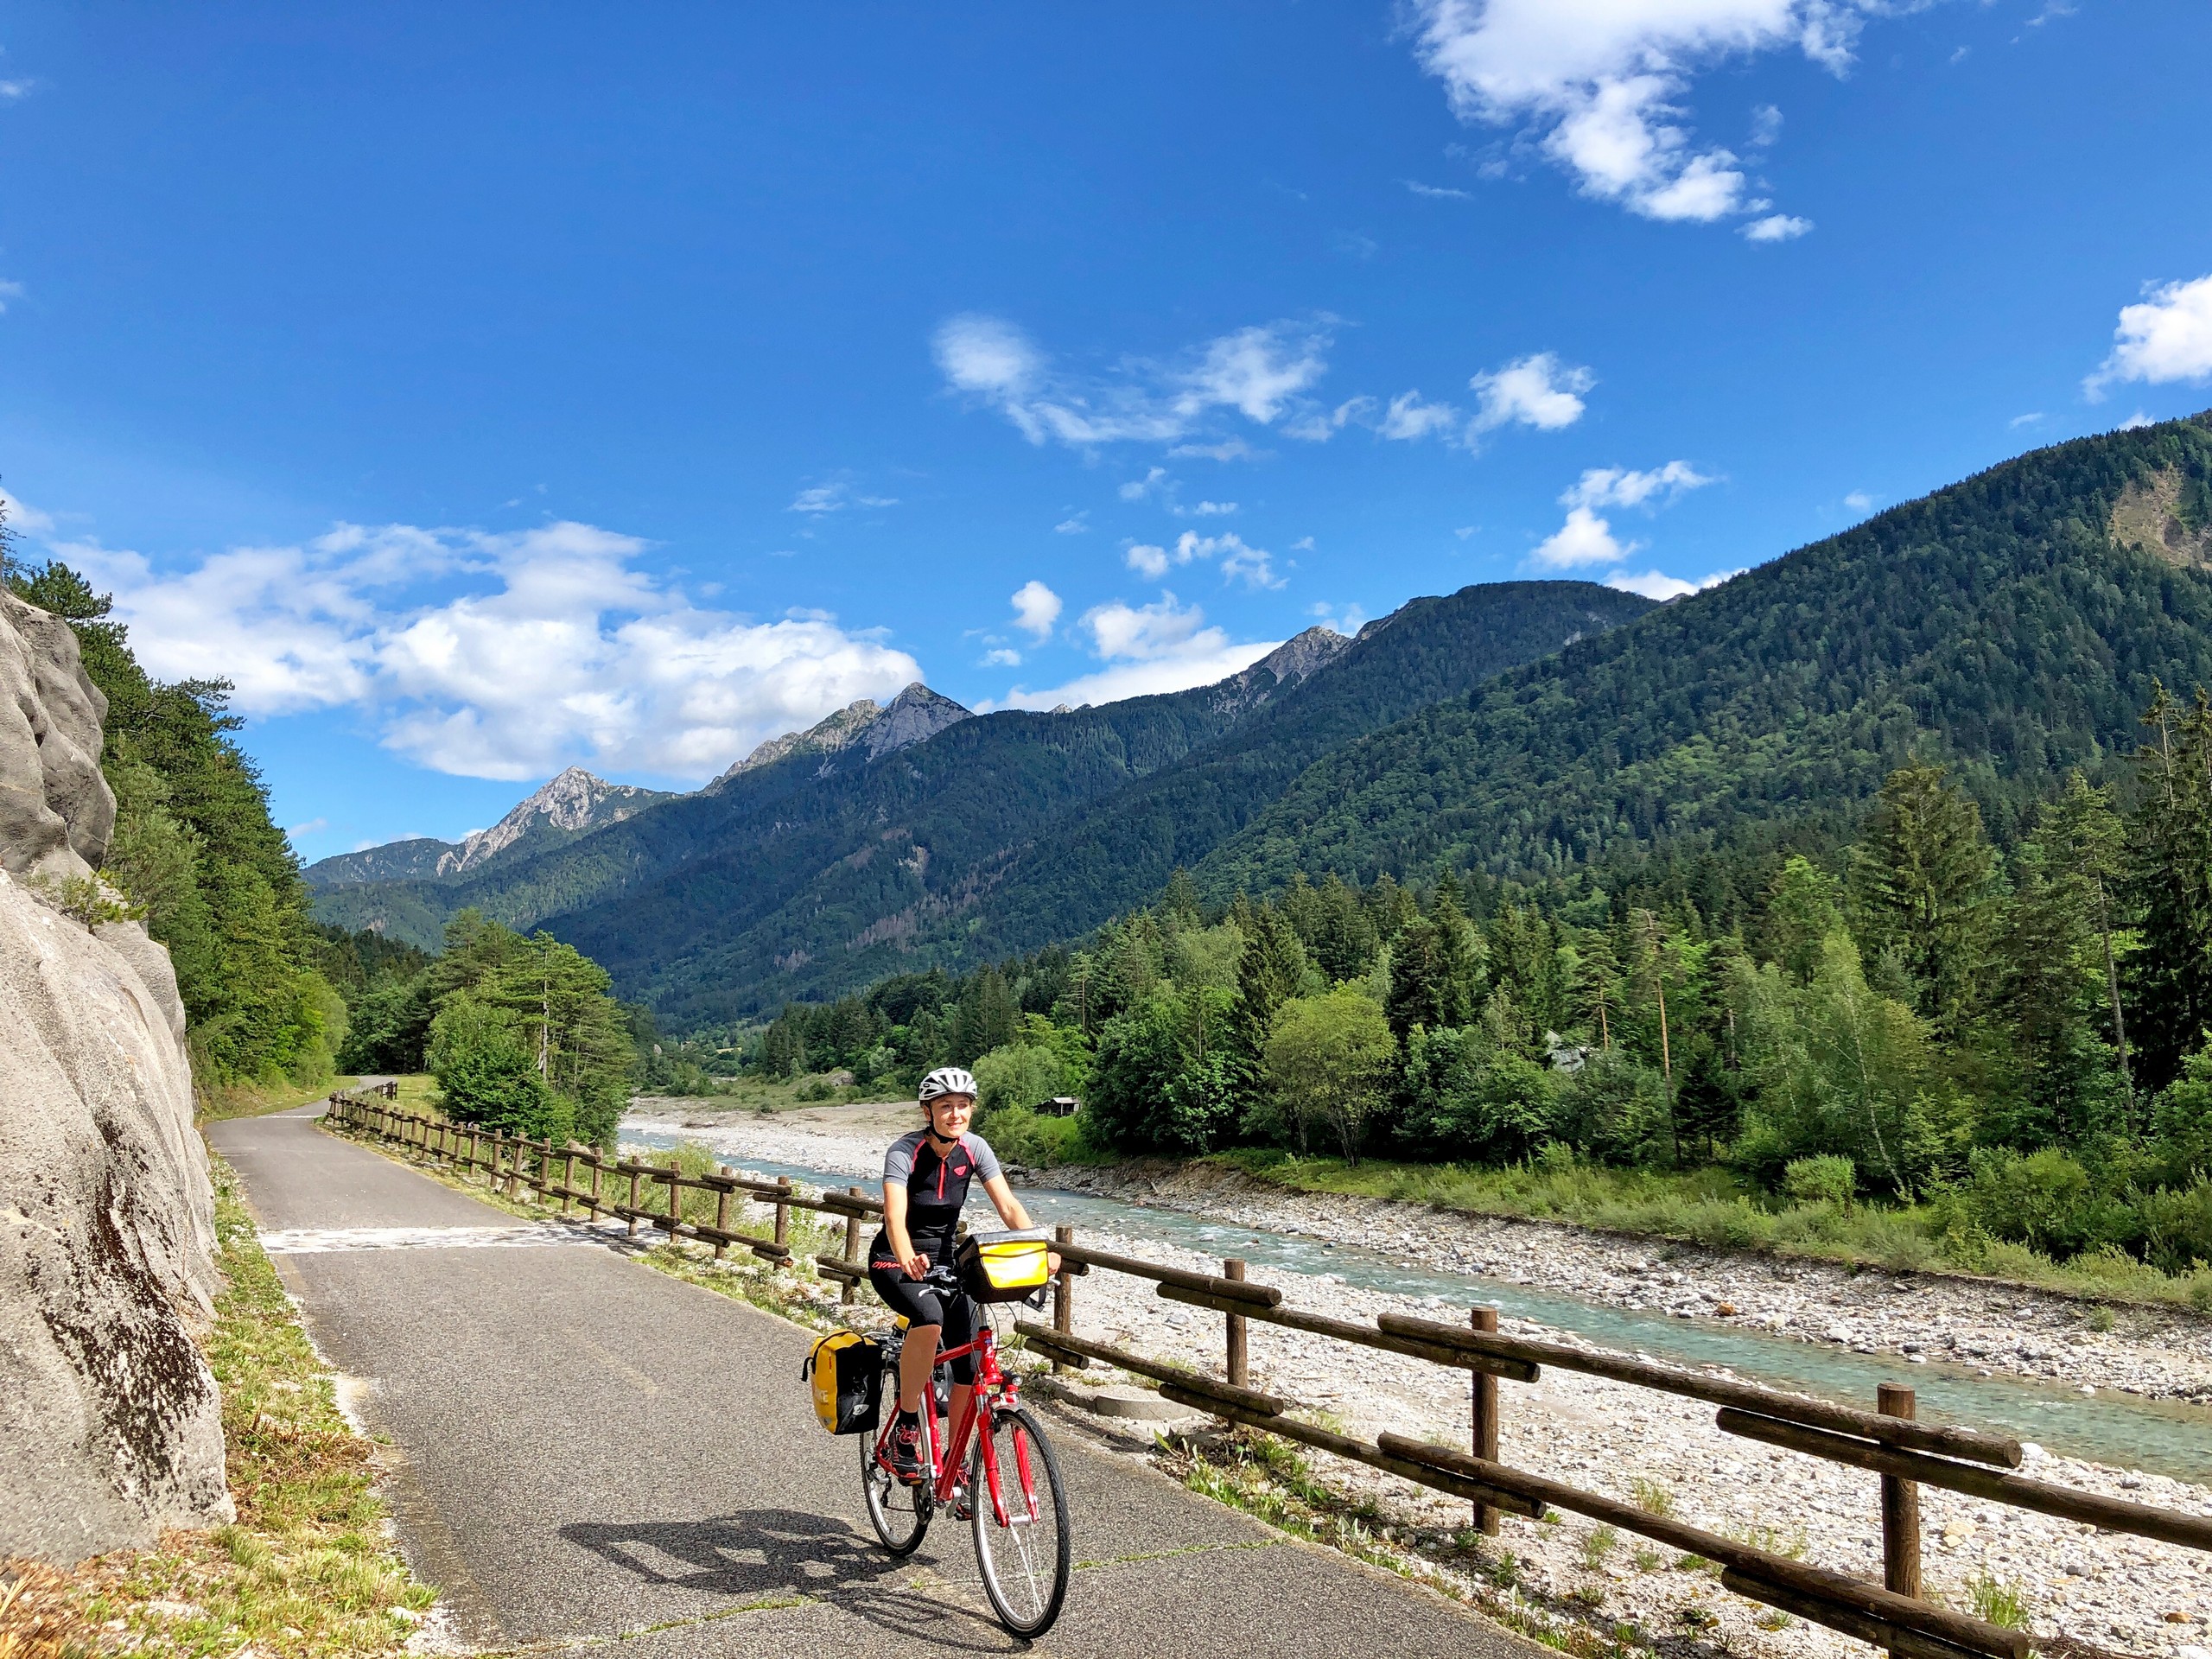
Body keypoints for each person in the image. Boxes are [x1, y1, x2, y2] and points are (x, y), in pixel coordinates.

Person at [867, 1065, 1049, 1482]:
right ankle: (907, 1425)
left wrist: (1039, 1249)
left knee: (970, 1362)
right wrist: (908, 1255)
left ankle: (956, 1461)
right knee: (929, 1318)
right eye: (945, 1106)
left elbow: (1008, 1207)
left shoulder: (976, 1149)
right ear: (928, 1111)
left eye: (963, 1106)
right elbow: (894, 1217)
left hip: (947, 1262)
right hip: (895, 1259)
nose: (955, 1114)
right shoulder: (904, 1152)